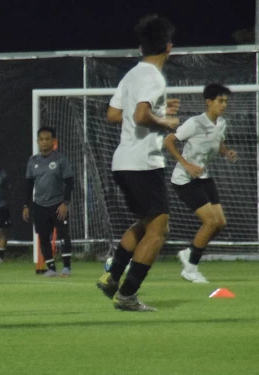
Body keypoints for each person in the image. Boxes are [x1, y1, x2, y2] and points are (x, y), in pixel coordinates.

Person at [96, 15, 179, 311]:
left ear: (141, 46)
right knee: (159, 230)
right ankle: (128, 295)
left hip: (124, 161)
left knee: (146, 224)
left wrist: (156, 110)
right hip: (143, 162)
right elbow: (141, 116)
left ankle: (111, 277)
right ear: (168, 47)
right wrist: (165, 120)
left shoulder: (132, 74)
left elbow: (113, 114)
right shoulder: (154, 77)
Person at [164, 84, 236, 283]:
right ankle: (191, 268)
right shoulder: (194, 123)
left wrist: (226, 152)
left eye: (226, 102)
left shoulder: (221, 123)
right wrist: (186, 164)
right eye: (220, 101)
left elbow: (218, 142)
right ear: (208, 102)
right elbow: (169, 141)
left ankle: (189, 252)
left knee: (220, 223)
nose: (223, 105)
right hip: (185, 179)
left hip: (204, 177)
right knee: (210, 221)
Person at [23, 127, 74, 277]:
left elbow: (69, 182)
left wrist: (65, 203)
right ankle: (51, 268)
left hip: (58, 204)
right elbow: (28, 185)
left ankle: (66, 268)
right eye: (41, 139)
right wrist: (26, 205)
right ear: (38, 141)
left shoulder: (60, 159)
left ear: (54, 141)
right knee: (43, 236)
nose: (44, 142)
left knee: (63, 235)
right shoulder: (33, 161)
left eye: (47, 139)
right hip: (39, 205)